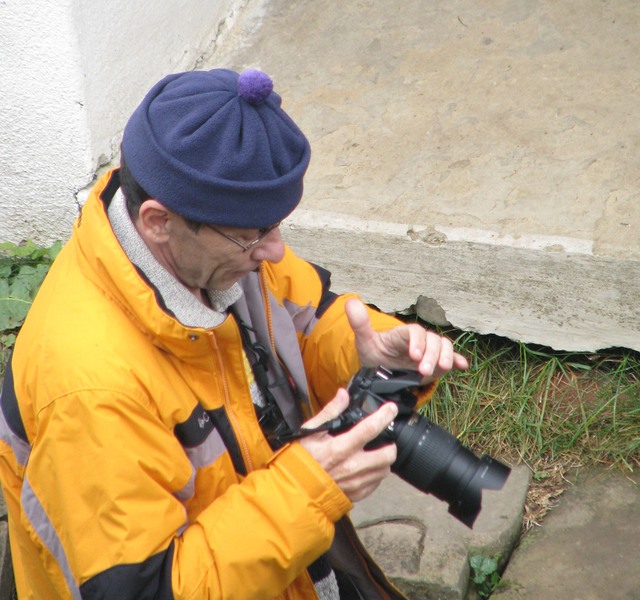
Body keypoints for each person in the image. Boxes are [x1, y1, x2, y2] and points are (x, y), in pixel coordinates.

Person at [0, 68, 468, 599]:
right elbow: (145, 592)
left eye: (275, 224)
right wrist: (308, 490)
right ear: (157, 222)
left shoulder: (208, 243)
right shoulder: (89, 388)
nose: (275, 250)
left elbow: (308, 318)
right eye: (253, 236)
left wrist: (369, 356)